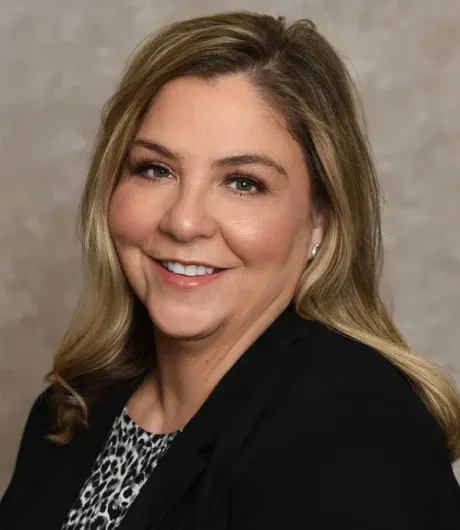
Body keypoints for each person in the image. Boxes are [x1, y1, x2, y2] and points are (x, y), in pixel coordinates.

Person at [1, 10, 459, 530]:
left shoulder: (355, 432)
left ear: (320, 221)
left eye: (243, 182)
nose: (184, 220)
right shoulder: (70, 411)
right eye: (155, 169)